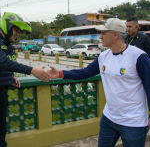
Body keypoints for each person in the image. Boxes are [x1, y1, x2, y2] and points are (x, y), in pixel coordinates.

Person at [48, 18, 150, 147]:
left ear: (115, 35)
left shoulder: (138, 56)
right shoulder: (103, 56)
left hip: (133, 122)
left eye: (103, 33)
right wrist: (61, 74)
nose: (100, 37)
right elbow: (86, 72)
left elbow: (149, 85)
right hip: (109, 118)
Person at [0, 12, 51, 147]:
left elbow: (6, 64)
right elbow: (2, 62)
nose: (17, 34)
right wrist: (32, 70)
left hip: (2, 92)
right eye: (16, 30)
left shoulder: (7, 43)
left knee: (1, 132)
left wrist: (11, 77)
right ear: (7, 26)